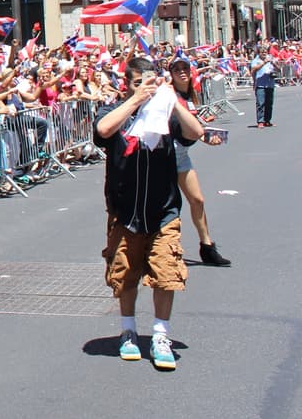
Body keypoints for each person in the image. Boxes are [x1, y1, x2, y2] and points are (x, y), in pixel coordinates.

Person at [94, 57, 205, 370]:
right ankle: (128, 330)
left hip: (163, 209)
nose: (145, 87)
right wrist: (135, 100)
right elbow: (103, 130)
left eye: (149, 81)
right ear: (127, 83)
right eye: (137, 82)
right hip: (124, 208)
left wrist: (171, 99)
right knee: (125, 274)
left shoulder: (166, 113)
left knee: (166, 274)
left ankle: (160, 334)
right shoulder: (113, 110)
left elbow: (196, 132)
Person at [167, 59, 231, 267]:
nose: (182, 72)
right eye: (176, 69)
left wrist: (204, 136)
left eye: (185, 68)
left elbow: (191, 124)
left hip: (182, 153)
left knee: (197, 200)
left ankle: (207, 246)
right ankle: (164, 249)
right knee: (168, 205)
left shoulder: (190, 95)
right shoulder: (168, 94)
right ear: (171, 74)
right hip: (167, 152)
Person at [249, 48, 276, 127]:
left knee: (269, 103)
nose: (264, 53)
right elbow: (253, 70)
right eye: (262, 52)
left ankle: (267, 120)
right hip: (260, 84)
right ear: (259, 53)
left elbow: (278, 69)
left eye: (265, 52)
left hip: (270, 84)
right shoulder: (256, 60)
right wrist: (264, 62)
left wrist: (274, 64)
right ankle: (260, 121)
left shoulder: (270, 59)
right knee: (260, 103)